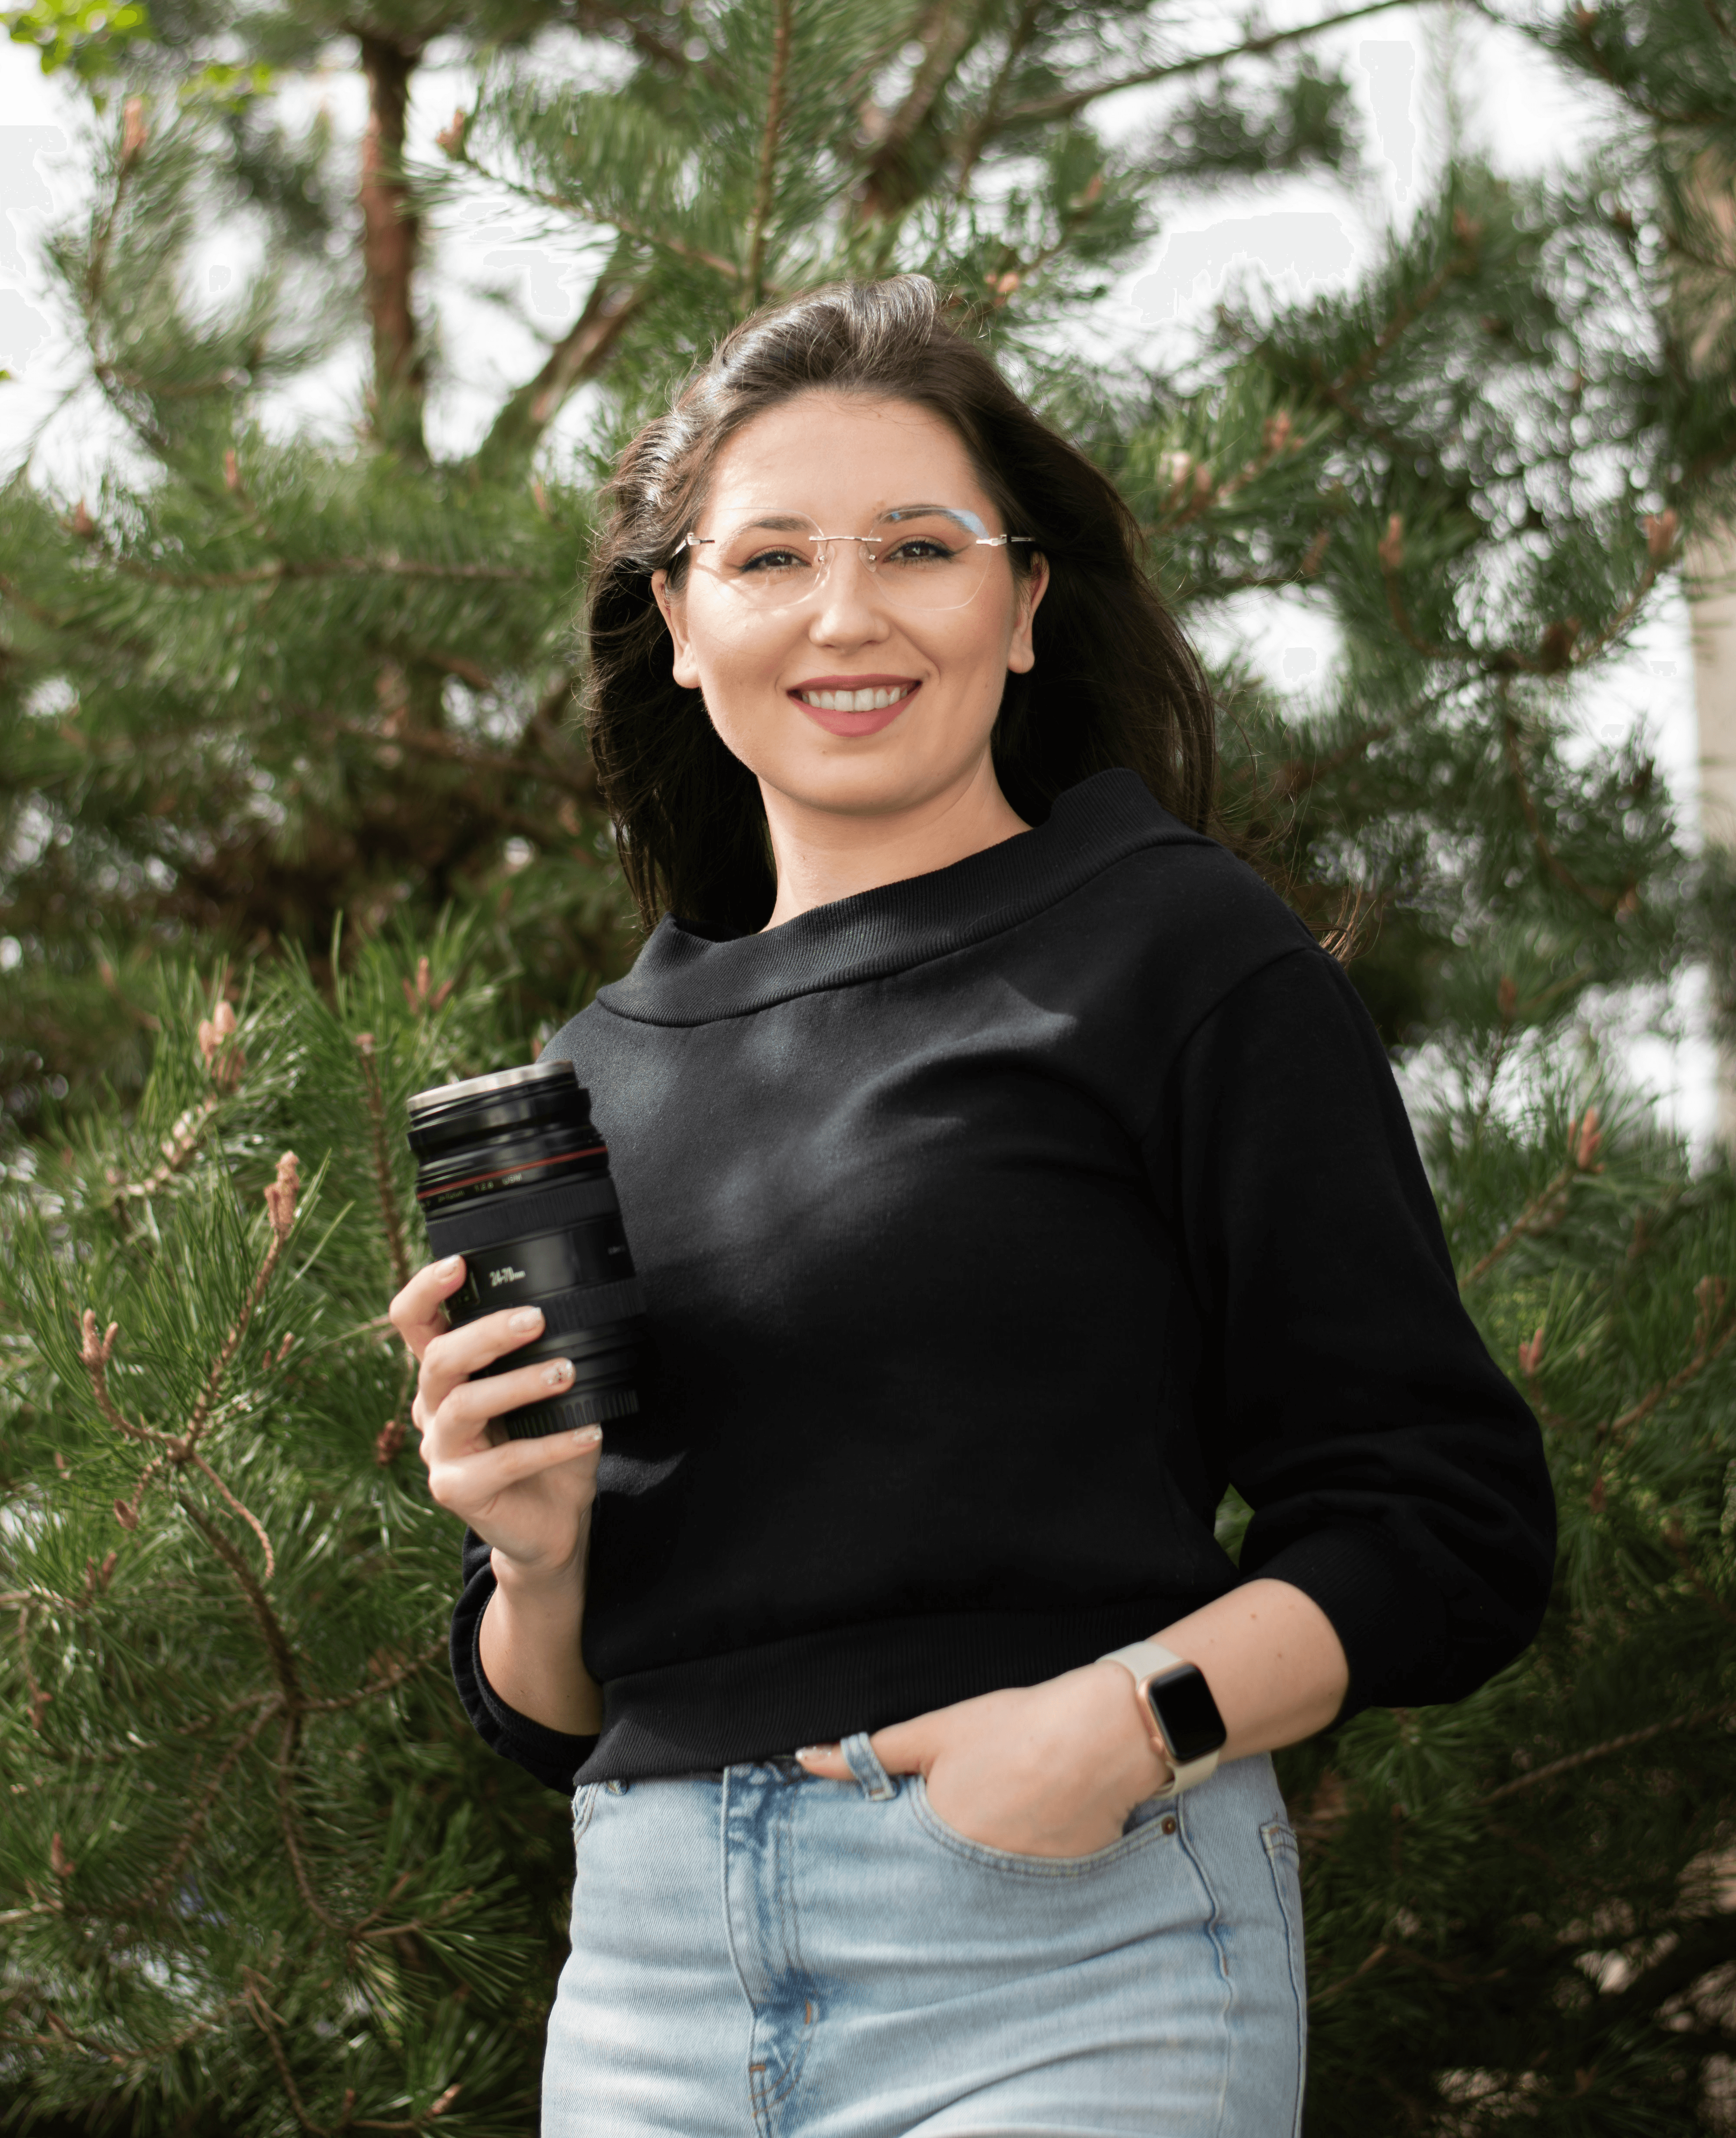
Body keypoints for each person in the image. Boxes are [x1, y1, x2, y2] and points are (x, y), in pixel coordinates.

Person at [389, 276, 1555, 2137]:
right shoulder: (598, 1067)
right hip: (648, 1994)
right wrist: (531, 1548)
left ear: (1020, 605)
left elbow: (1449, 1520)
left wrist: (1124, 1724)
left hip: (1058, 1958)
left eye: (916, 548)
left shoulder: (1177, 953)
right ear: (679, 622)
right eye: (768, 558)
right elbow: (547, 1708)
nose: (844, 614)